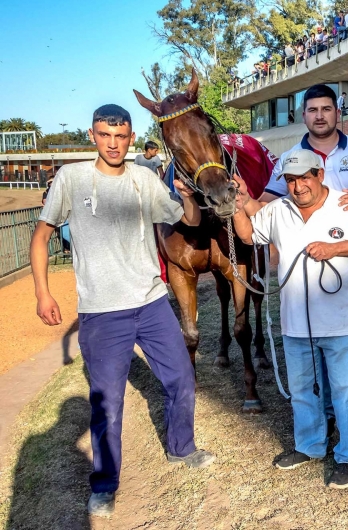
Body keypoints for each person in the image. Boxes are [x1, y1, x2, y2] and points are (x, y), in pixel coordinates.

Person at [30, 104, 213, 517]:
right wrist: (43, 293)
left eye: (121, 136)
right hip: (102, 311)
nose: (114, 143)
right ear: (94, 135)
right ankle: (105, 483)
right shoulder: (71, 180)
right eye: (105, 135)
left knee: (182, 378)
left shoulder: (144, 179)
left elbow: (186, 219)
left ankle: (182, 449)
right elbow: (41, 237)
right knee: (108, 402)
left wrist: (188, 199)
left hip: (150, 303)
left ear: (131, 138)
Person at [232, 149, 348, 489]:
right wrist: (240, 205)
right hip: (295, 321)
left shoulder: (345, 204)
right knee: (303, 388)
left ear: (319, 174)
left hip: (340, 318)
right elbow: (248, 235)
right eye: (290, 180)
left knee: (345, 391)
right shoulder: (278, 209)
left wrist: (335, 249)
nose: (298, 186)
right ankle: (310, 446)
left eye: (304, 178)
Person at [259, 84, 348, 452]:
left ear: (338, 112)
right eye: (312, 109)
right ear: (303, 115)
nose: (319, 115)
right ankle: (329, 412)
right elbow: (266, 204)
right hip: (306, 271)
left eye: (326, 109)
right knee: (315, 342)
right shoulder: (290, 156)